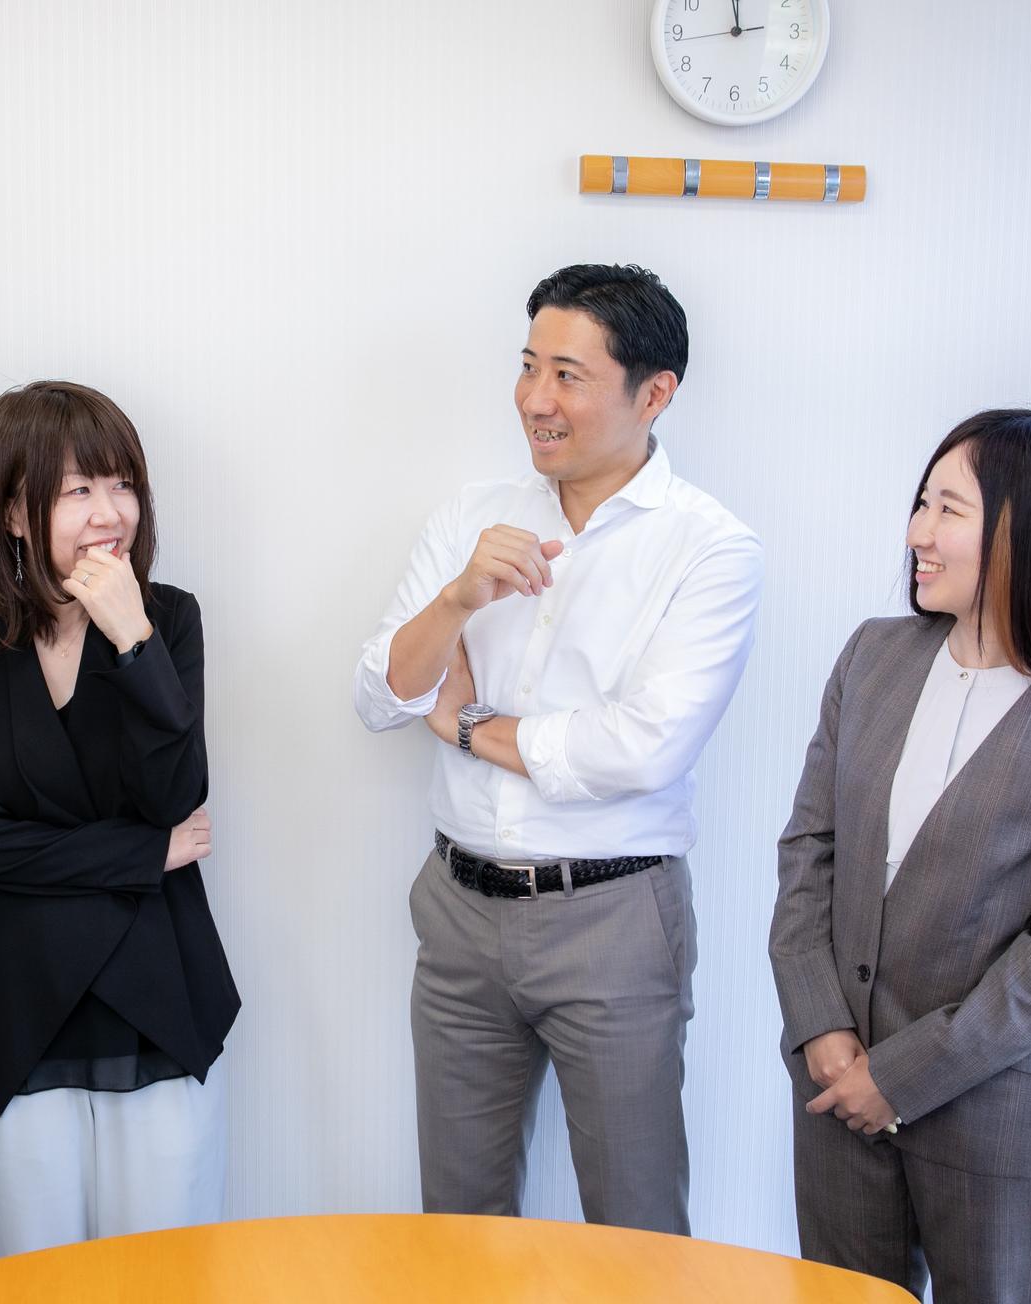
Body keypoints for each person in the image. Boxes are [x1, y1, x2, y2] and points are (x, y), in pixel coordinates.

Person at [352, 264, 764, 1233]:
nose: (535, 399)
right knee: (459, 1223)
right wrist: (457, 598)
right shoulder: (471, 518)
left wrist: (465, 725)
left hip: (613, 915)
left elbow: (640, 749)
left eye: (568, 376)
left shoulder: (710, 548)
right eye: (529, 365)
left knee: (635, 1231)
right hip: (457, 909)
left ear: (653, 394)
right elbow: (379, 695)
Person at [770, 409, 1031, 1303]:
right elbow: (808, 850)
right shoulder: (873, 655)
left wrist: (897, 1077)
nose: (917, 532)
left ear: (1030, 532)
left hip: (999, 1118)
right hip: (835, 1091)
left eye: (947, 509)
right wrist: (821, 1028)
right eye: (921, 503)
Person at [0, 380, 236, 1259]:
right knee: (29, 1278)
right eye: (78, 489)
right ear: (15, 511)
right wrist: (142, 855)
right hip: (10, 1001)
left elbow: (177, 795)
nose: (109, 512)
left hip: (156, 992)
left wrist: (133, 640)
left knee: (164, 1277)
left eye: (122, 485)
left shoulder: (169, 620)